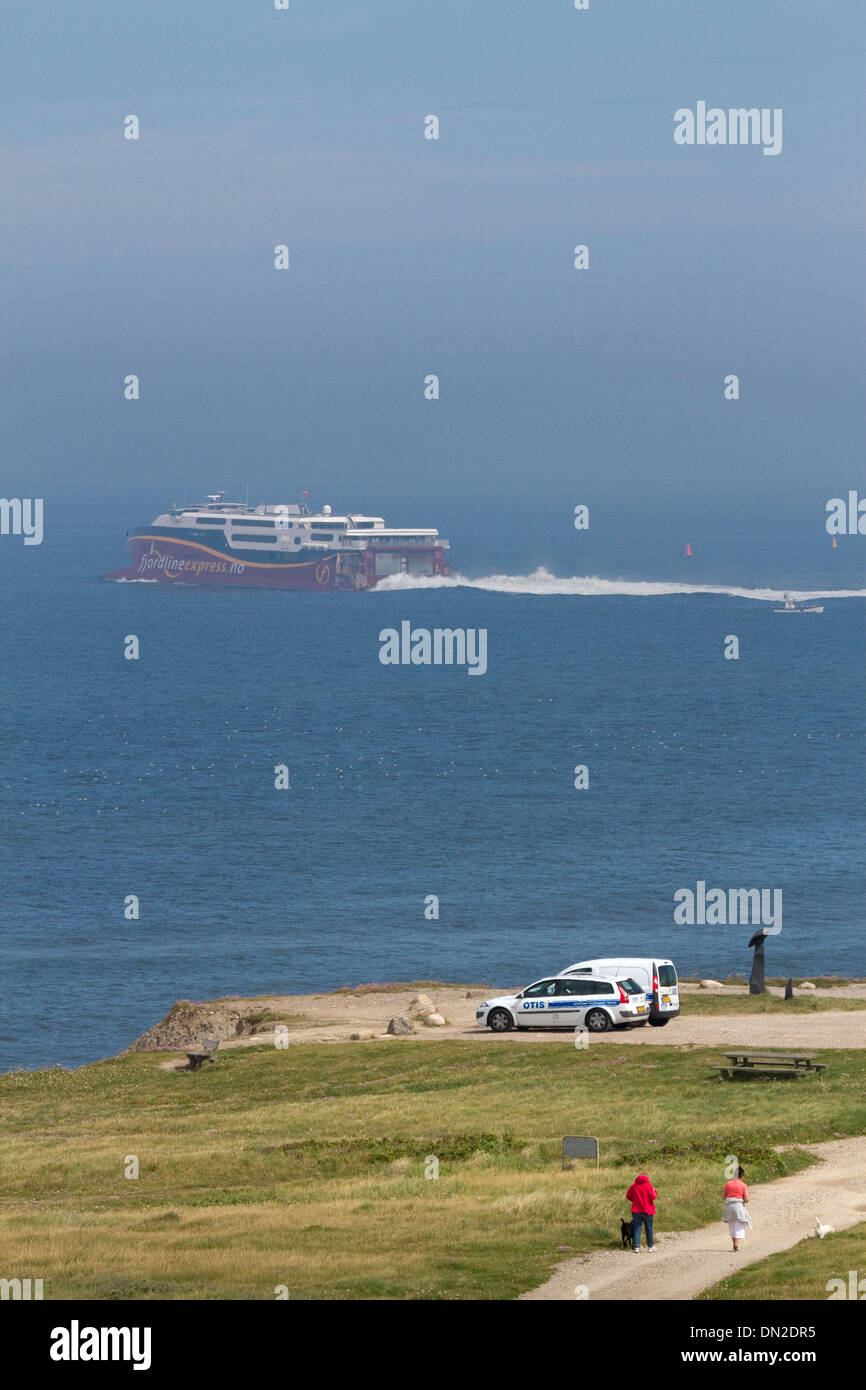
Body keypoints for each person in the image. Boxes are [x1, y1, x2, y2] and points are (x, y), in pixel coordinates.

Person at [626, 1172, 657, 1252]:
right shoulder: (649, 1186)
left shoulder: (634, 1186)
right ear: (647, 1178)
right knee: (649, 1228)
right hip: (648, 1210)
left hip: (636, 1210)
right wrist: (655, 1192)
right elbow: (653, 1197)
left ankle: (636, 1247)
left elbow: (628, 1196)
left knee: (637, 1228)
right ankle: (650, 1247)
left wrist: (635, 1200)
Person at [723, 1166, 751, 1251]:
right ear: (742, 1175)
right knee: (739, 1226)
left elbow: (724, 1197)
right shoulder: (743, 1185)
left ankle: (734, 1244)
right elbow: (746, 1199)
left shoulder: (727, 1184)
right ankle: (736, 1245)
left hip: (729, 1206)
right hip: (739, 1206)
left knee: (732, 1226)